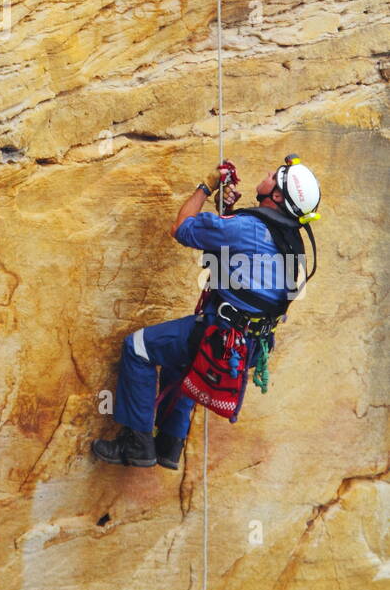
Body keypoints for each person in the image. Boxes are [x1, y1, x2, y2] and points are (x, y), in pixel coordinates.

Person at [90, 156, 321, 470]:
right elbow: (245, 266)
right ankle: (169, 444)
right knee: (181, 359)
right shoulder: (291, 240)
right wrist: (224, 214)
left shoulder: (248, 227)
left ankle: (137, 443)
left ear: (277, 196)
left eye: (274, 176)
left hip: (221, 336)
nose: (268, 173)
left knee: (139, 347)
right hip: (251, 345)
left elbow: (182, 227)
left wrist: (205, 187)